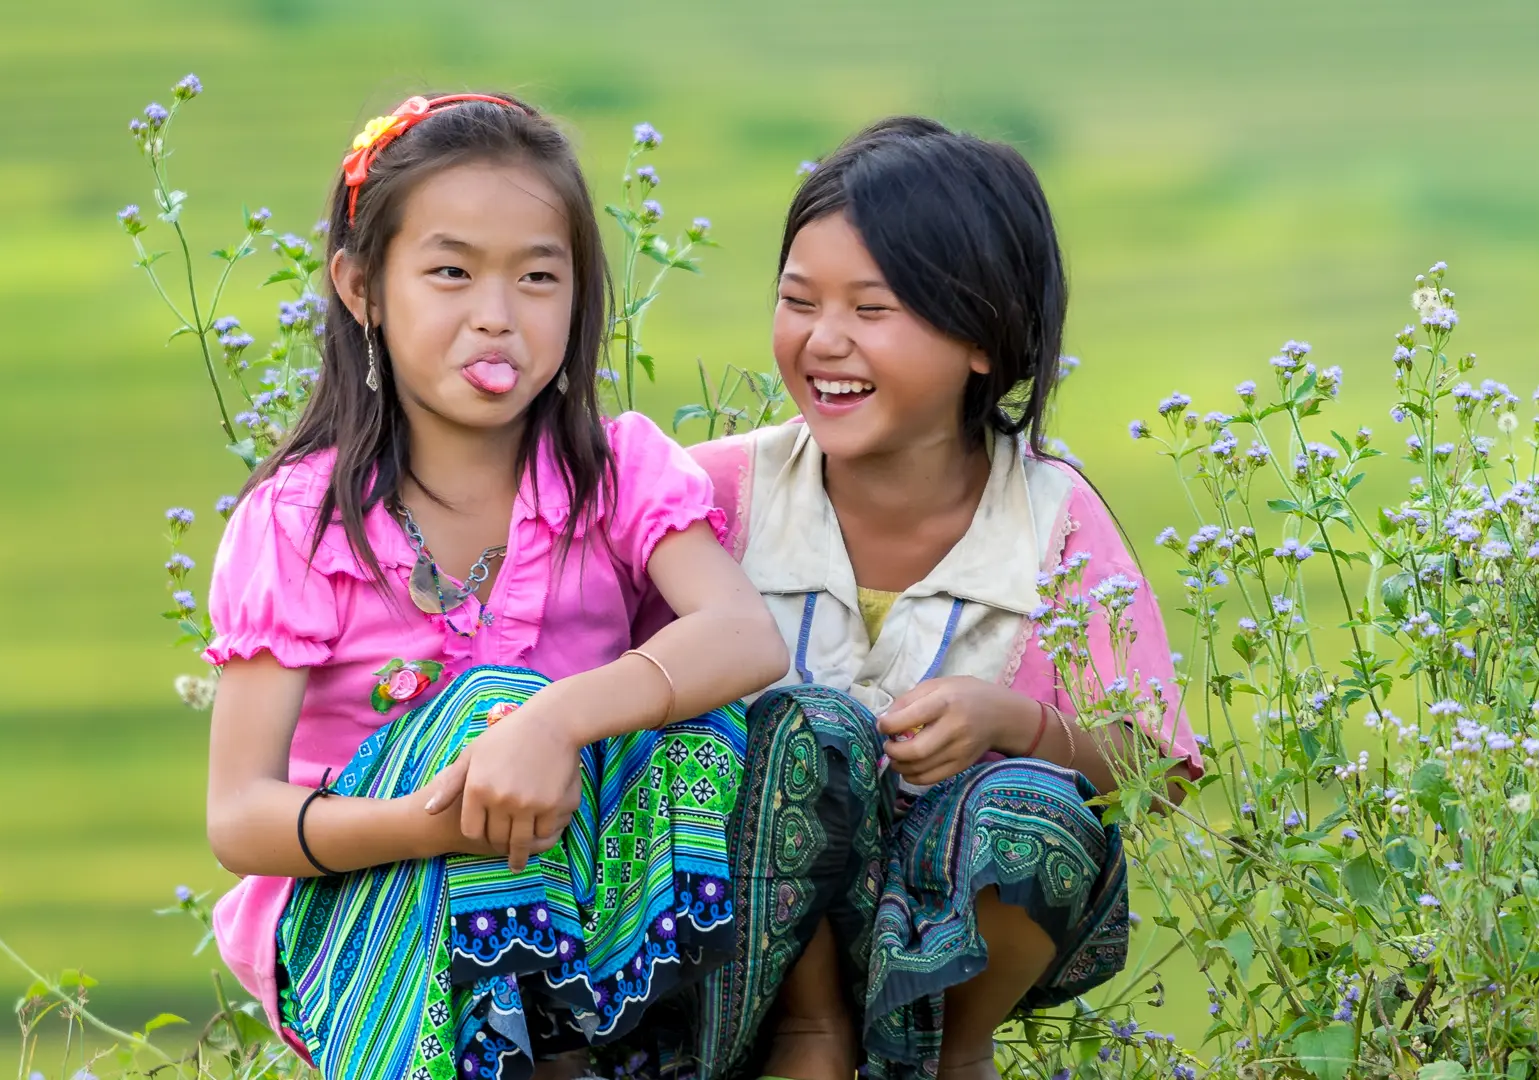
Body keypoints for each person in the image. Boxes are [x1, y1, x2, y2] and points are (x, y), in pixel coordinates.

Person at [200, 92, 787, 1080]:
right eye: (450, 272)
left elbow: (742, 637)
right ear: (362, 289)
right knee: (486, 705)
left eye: (538, 277)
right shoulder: (300, 524)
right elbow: (240, 819)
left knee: (756, 725)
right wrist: (439, 817)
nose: (497, 317)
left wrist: (553, 726)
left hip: (583, 898)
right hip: (362, 917)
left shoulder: (614, 472)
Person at [685, 118, 1204, 1080]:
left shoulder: (1054, 522)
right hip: (738, 920)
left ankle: (953, 1055)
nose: (822, 340)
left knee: (1029, 807)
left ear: (982, 337)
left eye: (872, 310)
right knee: (805, 729)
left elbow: (1157, 770)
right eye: (798, 301)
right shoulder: (712, 494)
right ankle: (804, 1039)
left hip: (948, 911)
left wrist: (1019, 723)